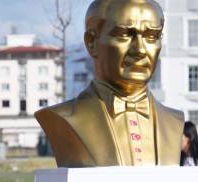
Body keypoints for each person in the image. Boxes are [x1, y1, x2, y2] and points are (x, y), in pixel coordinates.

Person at [35, 0, 183, 167]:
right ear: (91, 42)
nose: (140, 50)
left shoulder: (174, 121)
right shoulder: (64, 118)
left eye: (151, 36)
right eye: (124, 34)